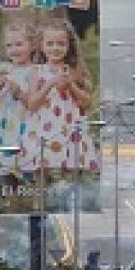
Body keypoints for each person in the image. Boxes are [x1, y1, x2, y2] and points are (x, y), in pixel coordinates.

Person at [21, 16, 96, 172]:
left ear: (69, 45)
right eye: (50, 43)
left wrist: (71, 85)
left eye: (61, 44)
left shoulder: (75, 70)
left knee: (72, 172)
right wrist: (50, 83)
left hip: (71, 129)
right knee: (43, 170)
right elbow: (32, 104)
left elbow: (87, 102)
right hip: (44, 130)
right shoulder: (36, 72)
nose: (55, 48)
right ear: (41, 45)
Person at [0, 18, 37, 172]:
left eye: (19, 44)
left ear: (32, 45)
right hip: (2, 125)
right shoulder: (3, 69)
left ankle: (23, 192)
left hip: (24, 124)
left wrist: (18, 92)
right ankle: (7, 192)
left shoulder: (35, 71)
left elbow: (35, 103)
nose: (14, 50)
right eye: (9, 46)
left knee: (25, 167)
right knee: (3, 169)